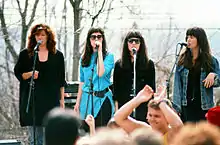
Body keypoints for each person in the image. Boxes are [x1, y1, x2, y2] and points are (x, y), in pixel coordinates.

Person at [14, 24, 65, 145]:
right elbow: (18, 73)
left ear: (48, 37)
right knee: (34, 139)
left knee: (50, 137)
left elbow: (61, 80)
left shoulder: (57, 55)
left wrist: (62, 100)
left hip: (51, 100)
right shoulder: (26, 54)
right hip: (32, 101)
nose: (40, 37)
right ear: (33, 37)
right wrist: (29, 74)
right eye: (37, 35)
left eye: (43, 35)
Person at [173, 27, 220, 123]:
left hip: (204, 106)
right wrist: (176, 108)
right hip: (186, 106)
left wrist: (213, 75)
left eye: (192, 37)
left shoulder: (210, 60)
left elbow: (218, 81)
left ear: (200, 39)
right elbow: (177, 85)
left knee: (203, 136)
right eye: (187, 37)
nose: (188, 40)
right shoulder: (182, 60)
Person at [74, 27, 115, 127]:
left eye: (99, 37)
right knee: (86, 132)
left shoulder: (109, 57)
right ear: (89, 40)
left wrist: (100, 52)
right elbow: (82, 81)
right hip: (86, 100)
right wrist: (77, 103)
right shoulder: (84, 58)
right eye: (93, 37)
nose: (96, 39)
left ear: (103, 39)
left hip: (102, 99)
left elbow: (100, 73)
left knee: (101, 132)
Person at [114, 85, 183, 145]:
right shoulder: (145, 131)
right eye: (150, 115)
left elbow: (179, 127)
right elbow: (119, 118)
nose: (152, 119)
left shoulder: (171, 134)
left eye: (157, 116)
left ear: (167, 118)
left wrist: (161, 102)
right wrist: (137, 99)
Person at [113, 30, 155, 122]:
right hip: (124, 105)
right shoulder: (119, 65)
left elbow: (152, 89)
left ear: (141, 44)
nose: (134, 44)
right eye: (131, 41)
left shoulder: (149, 64)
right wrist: (117, 111)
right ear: (126, 44)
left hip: (142, 107)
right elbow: (116, 91)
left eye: (137, 41)